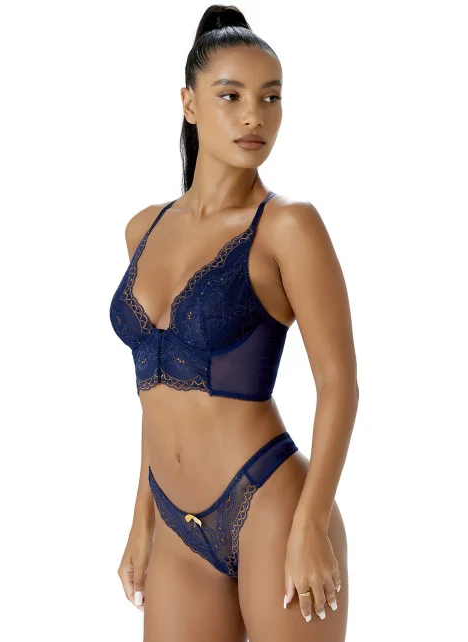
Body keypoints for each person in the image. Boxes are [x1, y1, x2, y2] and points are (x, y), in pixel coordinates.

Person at [109, 5, 359, 640]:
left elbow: (338, 383)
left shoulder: (287, 226)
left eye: (271, 98)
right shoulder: (143, 229)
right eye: (232, 96)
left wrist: (311, 522)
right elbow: (155, 392)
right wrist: (141, 519)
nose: (255, 116)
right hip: (176, 525)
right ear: (189, 104)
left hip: (272, 508)